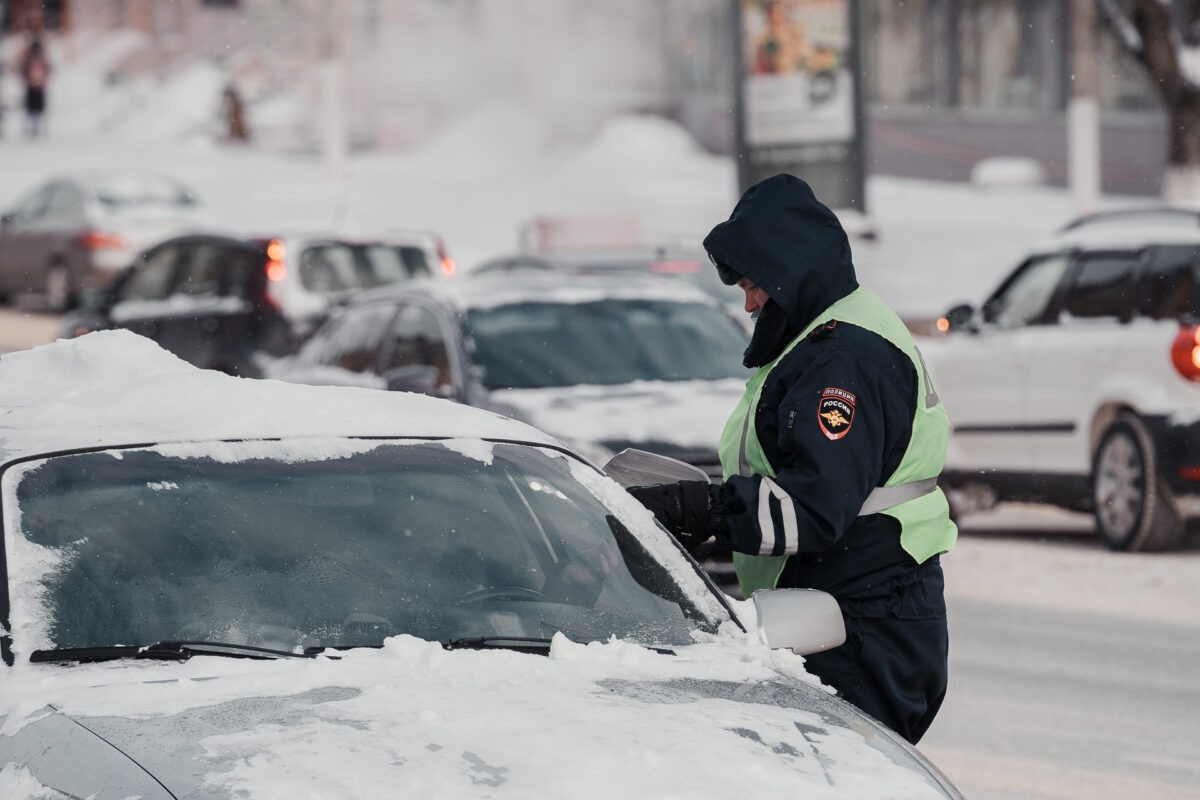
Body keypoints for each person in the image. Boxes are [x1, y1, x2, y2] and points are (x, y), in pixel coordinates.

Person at [627, 173, 957, 745]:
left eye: (755, 285)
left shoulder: (841, 361)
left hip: (861, 625)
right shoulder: (828, 337)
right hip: (859, 613)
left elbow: (813, 507)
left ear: (791, 271)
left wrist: (699, 509)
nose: (750, 302)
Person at [18, 34, 50, 138]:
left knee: (36, 108)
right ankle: (34, 127)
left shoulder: (38, 60)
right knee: (33, 108)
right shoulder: (32, 60)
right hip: (34, 87)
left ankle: (37, 127)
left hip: (37, 86)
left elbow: (48, 70)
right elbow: (23, 71)